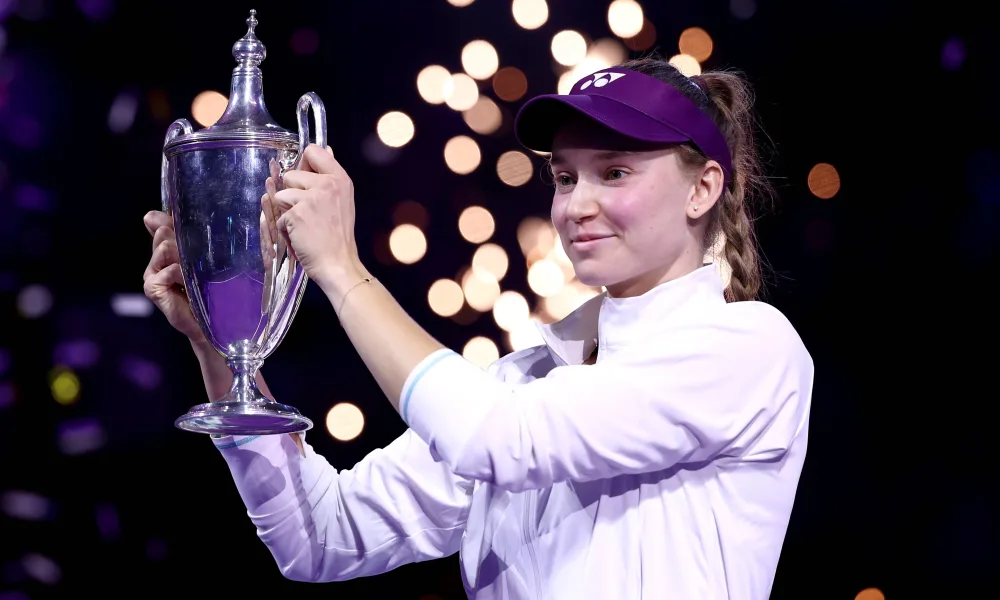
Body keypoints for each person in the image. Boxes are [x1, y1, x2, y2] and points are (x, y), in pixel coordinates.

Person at [142, 56, 813, 599]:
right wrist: (220, 341)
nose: (577, 205)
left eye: (614, 172)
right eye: (564, 177)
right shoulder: (522, 382)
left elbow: (501, 440)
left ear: (702, 189)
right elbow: (322, 537)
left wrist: (343, 270)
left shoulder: (749, 348)